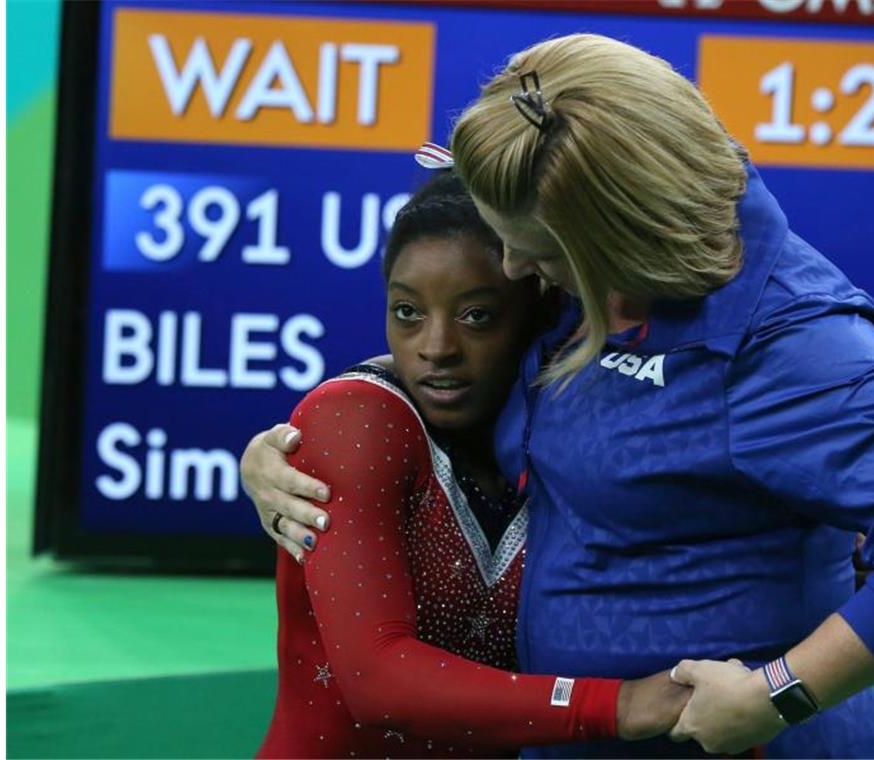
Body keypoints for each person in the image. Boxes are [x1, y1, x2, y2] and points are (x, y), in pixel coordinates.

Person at [243, 34, 874, 758]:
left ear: (616, 232)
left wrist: (773, 695)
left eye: (536, 249)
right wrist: (325, 425)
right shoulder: (588, 266)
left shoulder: (794, 347)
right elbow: (480, 355)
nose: (513, 265)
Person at [254, 169, 688, 759]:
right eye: (407, 311)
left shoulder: (575, 427)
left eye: (476, 316)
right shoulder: (356, 420)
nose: (435, 347)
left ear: (540, 311)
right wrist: (623, 705)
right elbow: (377, 681)